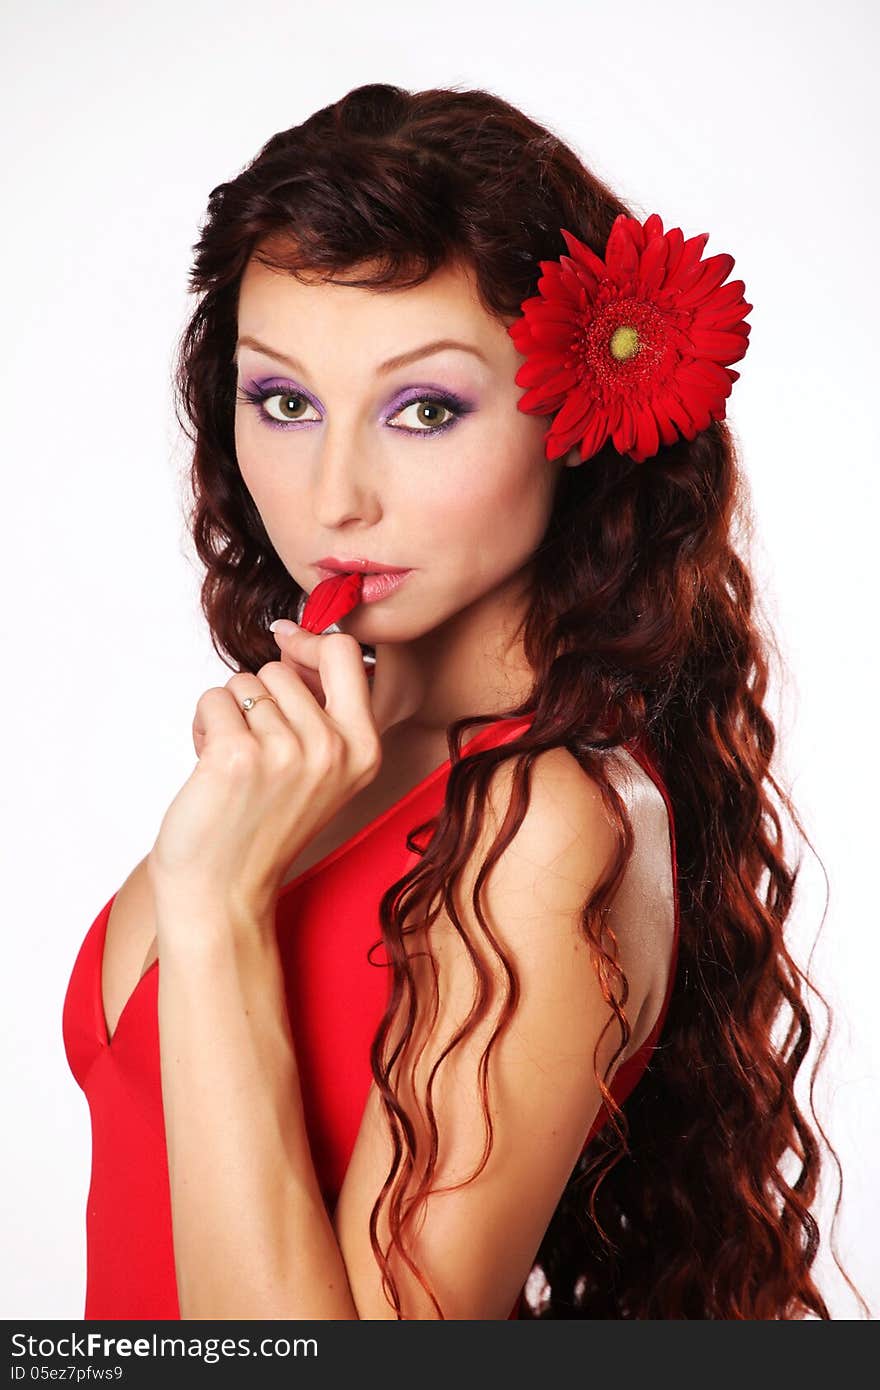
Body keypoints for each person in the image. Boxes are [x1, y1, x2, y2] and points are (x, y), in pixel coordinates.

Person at [62, 81, 866, 1321]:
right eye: (282, 399)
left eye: (424, 409)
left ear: (575, 421)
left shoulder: (542, 821)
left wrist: (218, 910)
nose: (333, 495)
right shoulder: (313, 754)